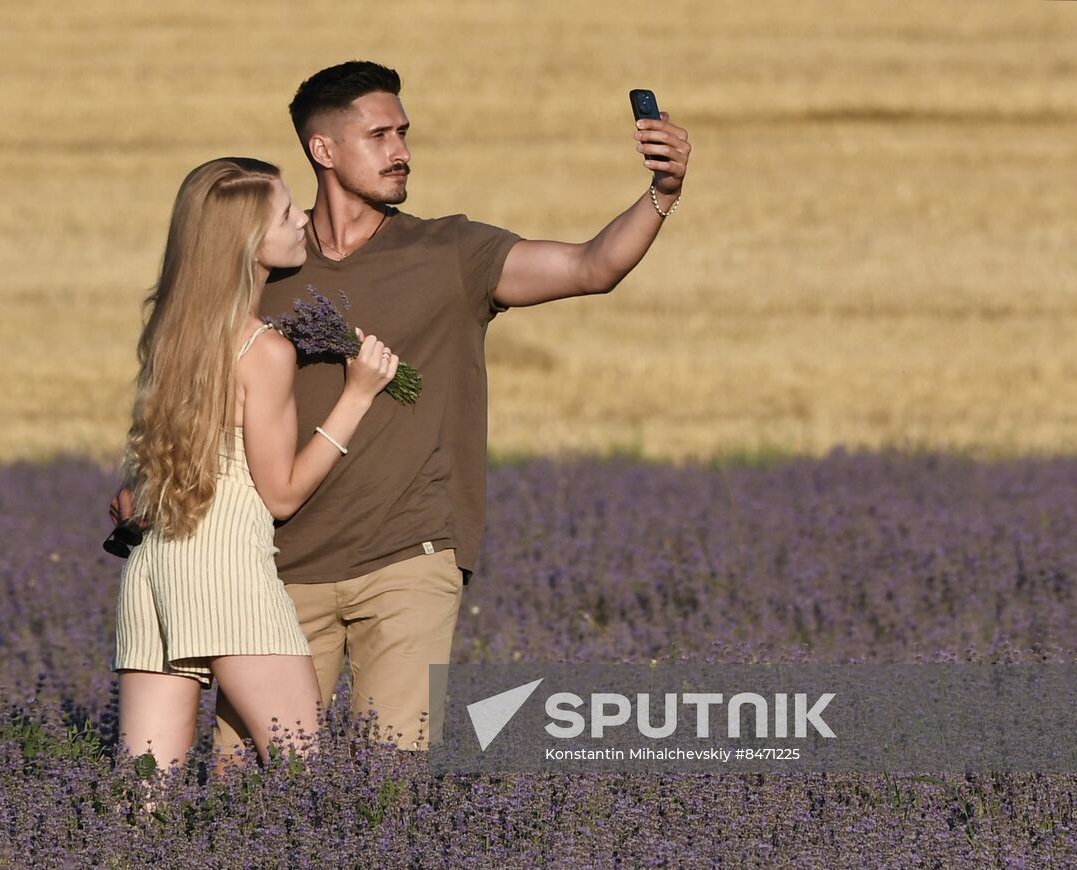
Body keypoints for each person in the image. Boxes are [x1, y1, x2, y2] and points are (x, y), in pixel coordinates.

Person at [114, 61, 692, 755]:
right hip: (274, 567)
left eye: (404, 133)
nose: (402, 151)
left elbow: (592, 267)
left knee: (390, 777)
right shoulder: (268, 264)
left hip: (409, 556)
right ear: (322, 149)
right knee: (255, 794)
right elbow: (194, 389)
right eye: (380, 134)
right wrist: (144, 485)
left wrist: (663, 191)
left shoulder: (450, 251)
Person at [111, 156, 398, 770]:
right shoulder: (261, 349)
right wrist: (357, 395)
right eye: (287, 211)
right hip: (228, 572)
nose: (302, 219)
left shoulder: (172, 331)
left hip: (155, 569)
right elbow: (282, 494)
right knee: (304, 776)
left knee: (142, 799)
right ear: (247, 240)